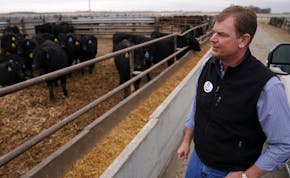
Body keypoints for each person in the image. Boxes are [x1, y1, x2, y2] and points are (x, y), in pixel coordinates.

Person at [177, 5, 290, 178]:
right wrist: (186, 141)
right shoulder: (207, 66)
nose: (212, 39)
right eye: (214, 32)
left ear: (243, 40)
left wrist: (248, 175)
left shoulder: (267, 86)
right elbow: (197, 106)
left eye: (221, 35)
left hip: (229, 172)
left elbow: (284, 144)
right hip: (197, 160)